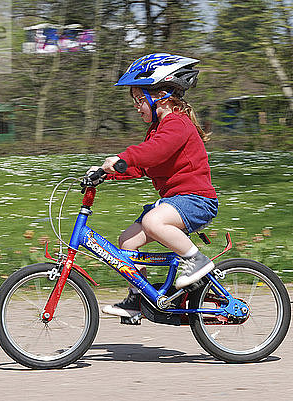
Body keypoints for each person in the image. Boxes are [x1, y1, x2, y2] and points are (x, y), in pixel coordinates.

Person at [88, 53, 218, 318]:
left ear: (160, 95)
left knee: (152, 222)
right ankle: (138, 299)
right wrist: (108, 173)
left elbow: (154, 152)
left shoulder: (177, 124)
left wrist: (124, 157)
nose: (136, 106)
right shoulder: (158, 129)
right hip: (174, 201)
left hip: (196, 199)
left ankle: (196, 260)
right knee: (127, 241)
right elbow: (145, 165)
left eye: (138, 99)